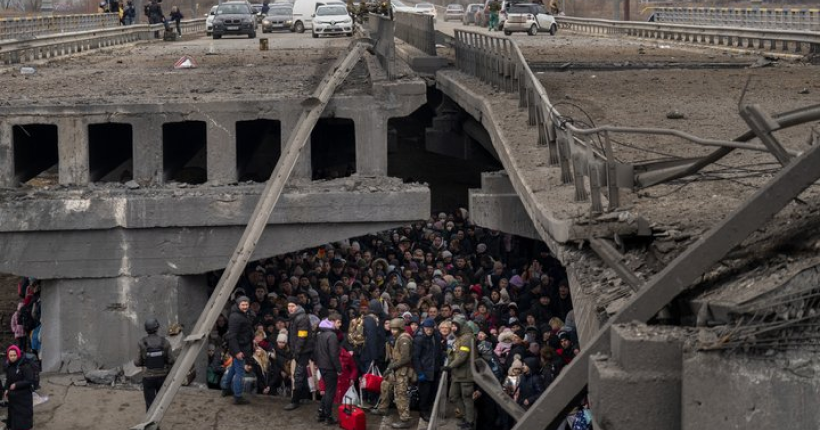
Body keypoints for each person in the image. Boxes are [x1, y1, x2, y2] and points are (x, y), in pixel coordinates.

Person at [372, 318, 414, 429]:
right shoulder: (398, 337)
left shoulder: (404, 338)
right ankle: (382, 409)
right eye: (392, 329)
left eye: (395, 329)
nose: (393, 331)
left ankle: (405, 419)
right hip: (395, 368)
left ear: (400, 328)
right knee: (385, 385)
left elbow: (405, 358)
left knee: (400, 394)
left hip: (402, 371)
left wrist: (391, 367)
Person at [134, 318, 174, 411]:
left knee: (150, 403)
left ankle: (150, 423)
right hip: (162, 376)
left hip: (148, 378)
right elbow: (171, 360)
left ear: (146, 329)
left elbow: (137, 362)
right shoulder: (165, 342)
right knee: (160, 402)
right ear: (157, 328)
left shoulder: (141, 342)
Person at [443, 315, 475, 430]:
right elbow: (454, 353)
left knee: (467, 398)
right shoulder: (459, 338)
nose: (453, 328)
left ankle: (470, 422)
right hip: (457, 374)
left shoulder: (467, 338)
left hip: (466, 374)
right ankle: (466, 417)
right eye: (452, 326)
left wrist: (449, 367)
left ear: (461, 326)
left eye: (455, 326)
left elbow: (462, 357)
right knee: (453, 396)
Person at [222, 296, 254, 405]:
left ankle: (226, 388)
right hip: (240, 348)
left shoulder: (242, 314)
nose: (245, 307)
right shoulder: (236, 317)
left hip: (241, 346)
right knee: (240, 373)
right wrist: (237, 352)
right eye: (243, 305)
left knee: (233, 369)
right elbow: (232, 336)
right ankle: (238, 396)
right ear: (238, 304)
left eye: (246, 304)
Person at [285, 295, 314, 411]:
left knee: (298, 374)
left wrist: (296, 352)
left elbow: (302, 337)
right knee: (302, 373)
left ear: (297, 306)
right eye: (289, 306)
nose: (290, 308)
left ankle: (295, 400)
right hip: (300, 350)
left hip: (303, 350)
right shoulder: (295, 316)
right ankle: (304, 396)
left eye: (292, 306)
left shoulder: (301, 318)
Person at [412, 317, 442, 422]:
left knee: (432, 392)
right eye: (426, 328)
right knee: (424, 393)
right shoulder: (419, 339)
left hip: (435, 369)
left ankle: (428, 409)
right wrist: (420, 372)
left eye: (430, 328)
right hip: (425, 370)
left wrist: (440, 366)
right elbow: (415, 357)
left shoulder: (437, 337)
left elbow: (439, 352)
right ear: (423, 328)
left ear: (433, 328)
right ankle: (423, 412)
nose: (428, 330)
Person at [315, 314, 342, 424]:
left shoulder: (321, 334)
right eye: (339, 322)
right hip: (330, 367)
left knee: (327, 391)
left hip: (322, 365)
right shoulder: (332, 336)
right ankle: (328, 417)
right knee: (330, 392)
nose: (340, 325)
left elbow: (317, 350)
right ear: (333, 322)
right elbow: (333, 355)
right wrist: (339, 368)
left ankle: (321, 413)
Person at [3, 345, 34, 430]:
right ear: (8, 356)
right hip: (13, 398)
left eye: (14, 355)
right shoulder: (9, 366)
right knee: (14, 418)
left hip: (24, 397)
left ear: (18, 355)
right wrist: (6, 389)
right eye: (11, 355)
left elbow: (29, 380)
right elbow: (8, 380)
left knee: (23, 419)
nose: (12, 357)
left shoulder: (25, 366)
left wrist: (16, 385)